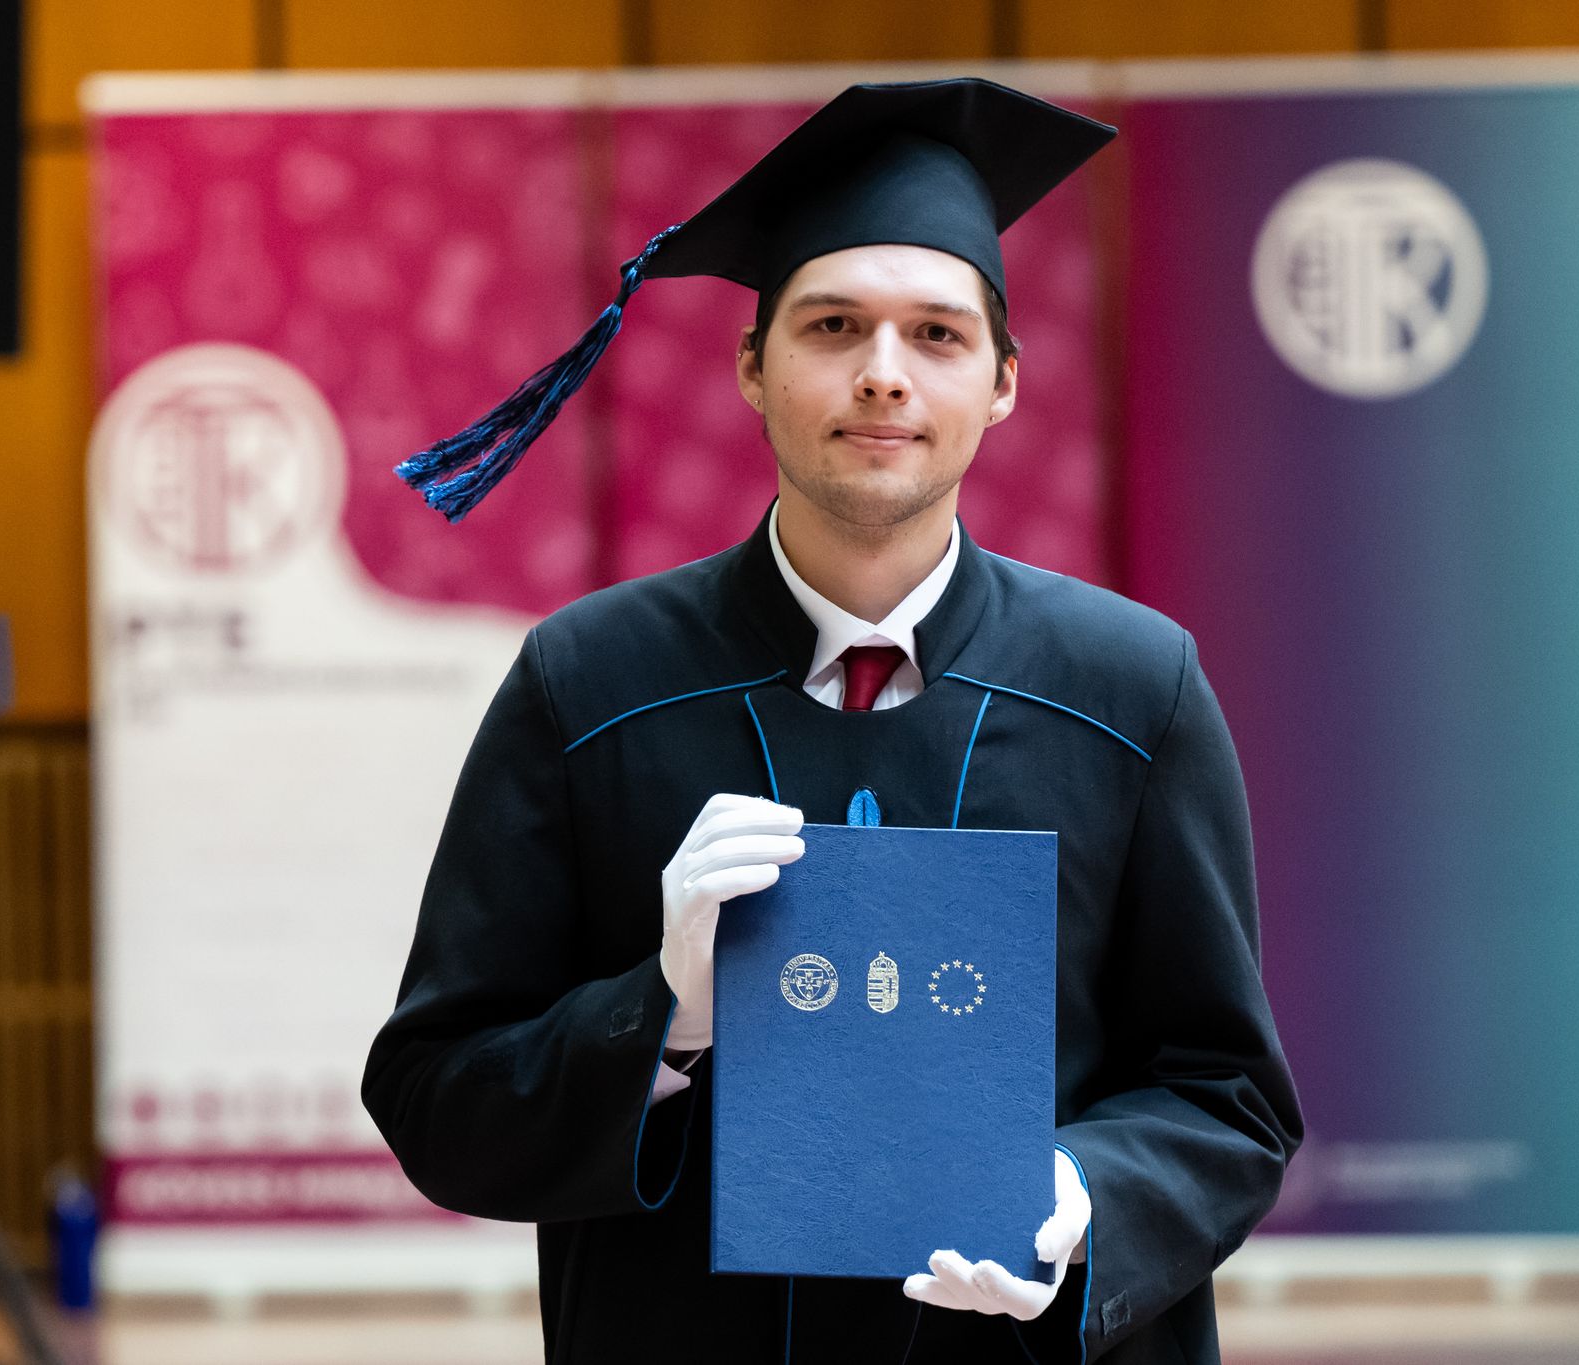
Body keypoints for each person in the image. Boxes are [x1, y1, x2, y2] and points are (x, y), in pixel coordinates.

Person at [363, 78, 1300, 1364]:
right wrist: (665, 1013)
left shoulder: (1131, 692)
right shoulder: (588, 687)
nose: (881, 374)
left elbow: (1229, 1099)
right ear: (751, 366)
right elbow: (435, 1097)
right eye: (833, 325)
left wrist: (1081, 1196)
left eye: (936, 335)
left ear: (1002, 383)